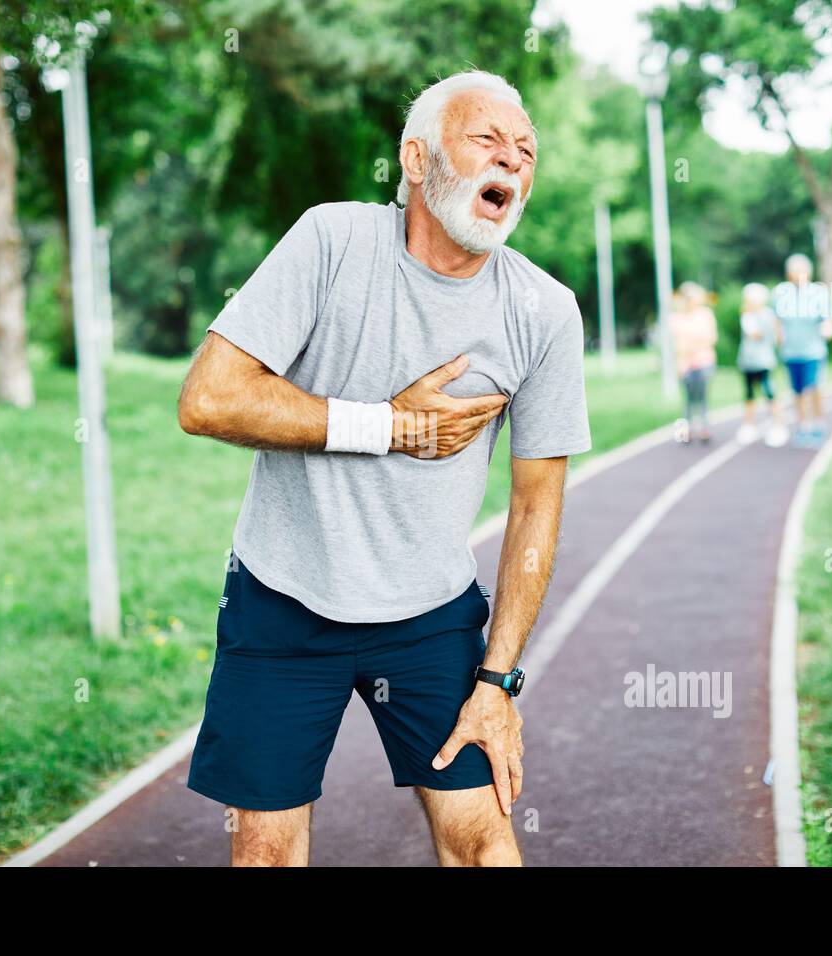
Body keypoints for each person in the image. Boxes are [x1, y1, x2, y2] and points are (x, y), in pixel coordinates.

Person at [176, 71, 592, 867]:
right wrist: (387, 427)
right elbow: (208, 400)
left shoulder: (544, 311)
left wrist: (498, 683)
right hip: (283, 597)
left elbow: (537, 505)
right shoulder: (331, 241)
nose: (513, 160)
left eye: (527, 150)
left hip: (429, 616)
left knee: (481, 840)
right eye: (488, 141)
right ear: (416, 158)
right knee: (264, 850)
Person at [773, 253, 832, 447]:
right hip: (791, 351)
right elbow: (776, 319)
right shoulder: (780, 292)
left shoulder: (819, 292)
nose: (798, 274)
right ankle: (803, 426)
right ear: (788, 274)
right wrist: (778, 337)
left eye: (802, 271)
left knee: (813, 388)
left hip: (813, 350)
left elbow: (830, 320)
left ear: (809, 272)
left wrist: (828, 329)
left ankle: (818, 423)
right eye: (794, 271)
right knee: (797, 391)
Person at [735, 282, 788, 447]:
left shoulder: (767, 316)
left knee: (769, 394)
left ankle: (779, 426)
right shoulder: (748, 316)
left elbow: (759, 335)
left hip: (764, 361)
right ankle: (748, 425)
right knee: (749, 394)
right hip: (747, 361)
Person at [668, 281, 717, 443]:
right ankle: (684, 432)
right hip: (685, 364)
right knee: (688, 400)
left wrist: (689, 346)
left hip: (704, 362)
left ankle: (705, 429)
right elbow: (676, 343)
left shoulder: (706, 314)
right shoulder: (675, 317)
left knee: (702, 398)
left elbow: (710, 338)